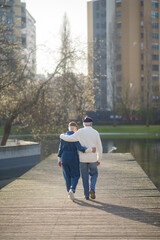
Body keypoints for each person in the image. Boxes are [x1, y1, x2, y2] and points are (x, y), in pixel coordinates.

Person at [60, 116, 103, 200]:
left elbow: (69, 138)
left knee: (84, 177)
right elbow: (100, 147)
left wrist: (61, 135)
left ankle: (86, 195)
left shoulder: (80, 132)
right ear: (91, 124)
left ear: (83, 124)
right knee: (94, 174)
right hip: (93, 159)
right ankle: (92, 188)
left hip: (82, 159)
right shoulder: (95, 132)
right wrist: (99, 159)